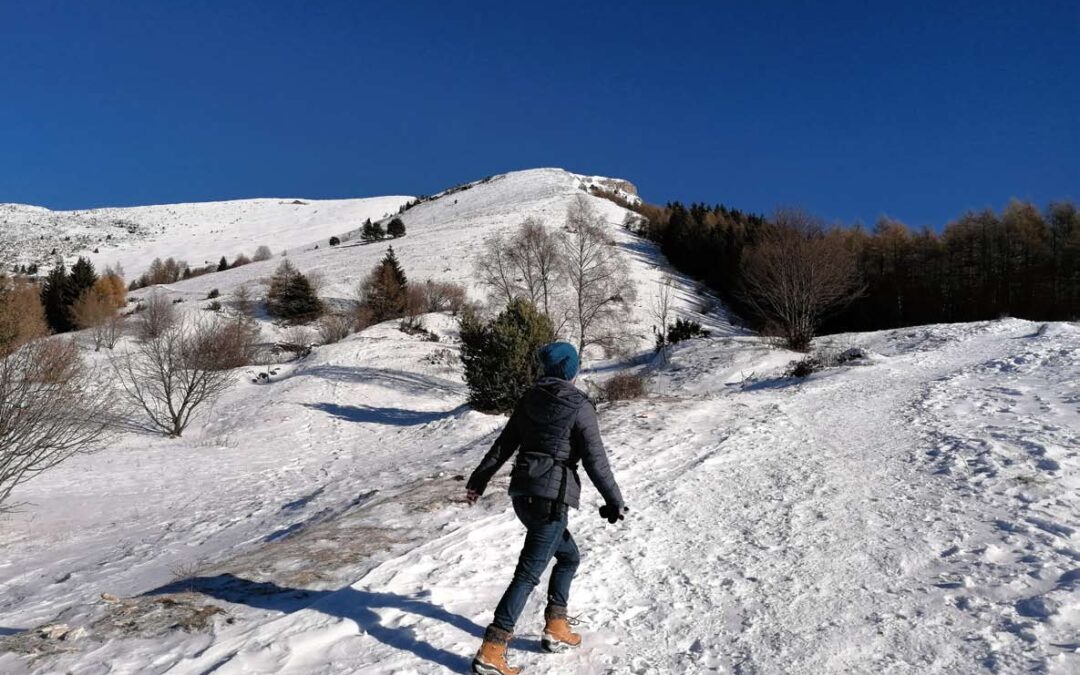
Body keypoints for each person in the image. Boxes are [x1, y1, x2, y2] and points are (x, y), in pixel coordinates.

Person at [465, 341, 626, 675]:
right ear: (571, 369)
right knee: (527, 574)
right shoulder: (580, 406)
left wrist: (479, 480)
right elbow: (596, 460)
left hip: (523, 494)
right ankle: (492, 649)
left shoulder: (529, 399)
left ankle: (556, 626)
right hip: (551, 499)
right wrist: (615, 500)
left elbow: (503, 445)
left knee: (569, 556)